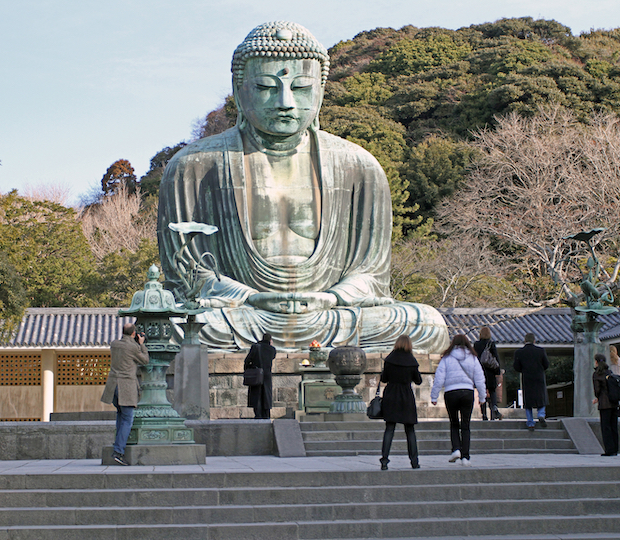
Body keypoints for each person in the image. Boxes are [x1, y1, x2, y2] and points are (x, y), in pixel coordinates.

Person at [157, 21, 449, 353]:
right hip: (243, 315)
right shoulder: (194, 166)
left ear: (321, 91)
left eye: (300, 88)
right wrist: (250, 297)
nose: (284, 102)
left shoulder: (359, 167)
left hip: (330, 315)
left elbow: (371, 275)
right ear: (239, 91)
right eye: (267, 87)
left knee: (426, 324)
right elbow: (187, 274)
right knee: (169, 327)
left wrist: (331, 297)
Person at [430, 334, 486, 466]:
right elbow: (479, 378)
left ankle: (456, 449)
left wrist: (434, 396)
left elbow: (439, 378)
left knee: (454, 422)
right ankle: (466, 457)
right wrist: (482, 397)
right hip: (467, 391)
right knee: (465, 425)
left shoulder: (447, 358)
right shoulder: (472, 358)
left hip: (451, 392)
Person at [100, 323, 147, 466]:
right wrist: (142, 344)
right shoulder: (133, 347)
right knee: (127, 419)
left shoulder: (114, 344)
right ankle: (118, 451)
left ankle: (117, 446)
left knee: (120, 416)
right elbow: (145, 360)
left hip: (113, 386)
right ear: (134, 334)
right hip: (126, 387)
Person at [379, 335, 423, 470]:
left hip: (391, 394)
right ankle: (414, 461)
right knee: (410, 429)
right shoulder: (411, 360)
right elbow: (418, 380)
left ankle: (385, 460)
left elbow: (384, 379)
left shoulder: (390, 360)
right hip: (406, 395)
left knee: (389, 428)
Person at [513, 332, 549, 431]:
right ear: (534, 340)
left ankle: (530, 422)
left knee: (528, 400)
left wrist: (524, 369)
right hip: (539, 377)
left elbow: (516, 367)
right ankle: (541, 414)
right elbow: (546, 365)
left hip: (527, 377)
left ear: (525, 341)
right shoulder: (540, 351)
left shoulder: (519, 352)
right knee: (541, 397)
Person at [245, 333, 277, 419]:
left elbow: (247, 360)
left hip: (256, 373)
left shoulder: (255, 347)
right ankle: (266, 414)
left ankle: (258, 414)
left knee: (256, 394)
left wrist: (249, 368)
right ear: (270, 340)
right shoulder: (272, 349)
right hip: (267, 374)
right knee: (266, 394)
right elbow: (272, 357)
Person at [592, 353, 619, 456]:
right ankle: (615, 448)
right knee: (613, 426)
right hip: (614, 402)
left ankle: (609, 449)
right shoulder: (609, 372)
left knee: (606, 427)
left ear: (596, 362)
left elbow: (597, 390)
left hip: (604, 403)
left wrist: (597, 398)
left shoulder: (597, 374)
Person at [474, 326, 502, 421]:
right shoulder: (491, 344)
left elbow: (474, 358)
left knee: (482, 393)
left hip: (480, 371)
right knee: (492, 391)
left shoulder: (476, 345)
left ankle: (484, 414)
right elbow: (496, 358)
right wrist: (498, 371)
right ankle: (494, 408)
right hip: (490, 371)